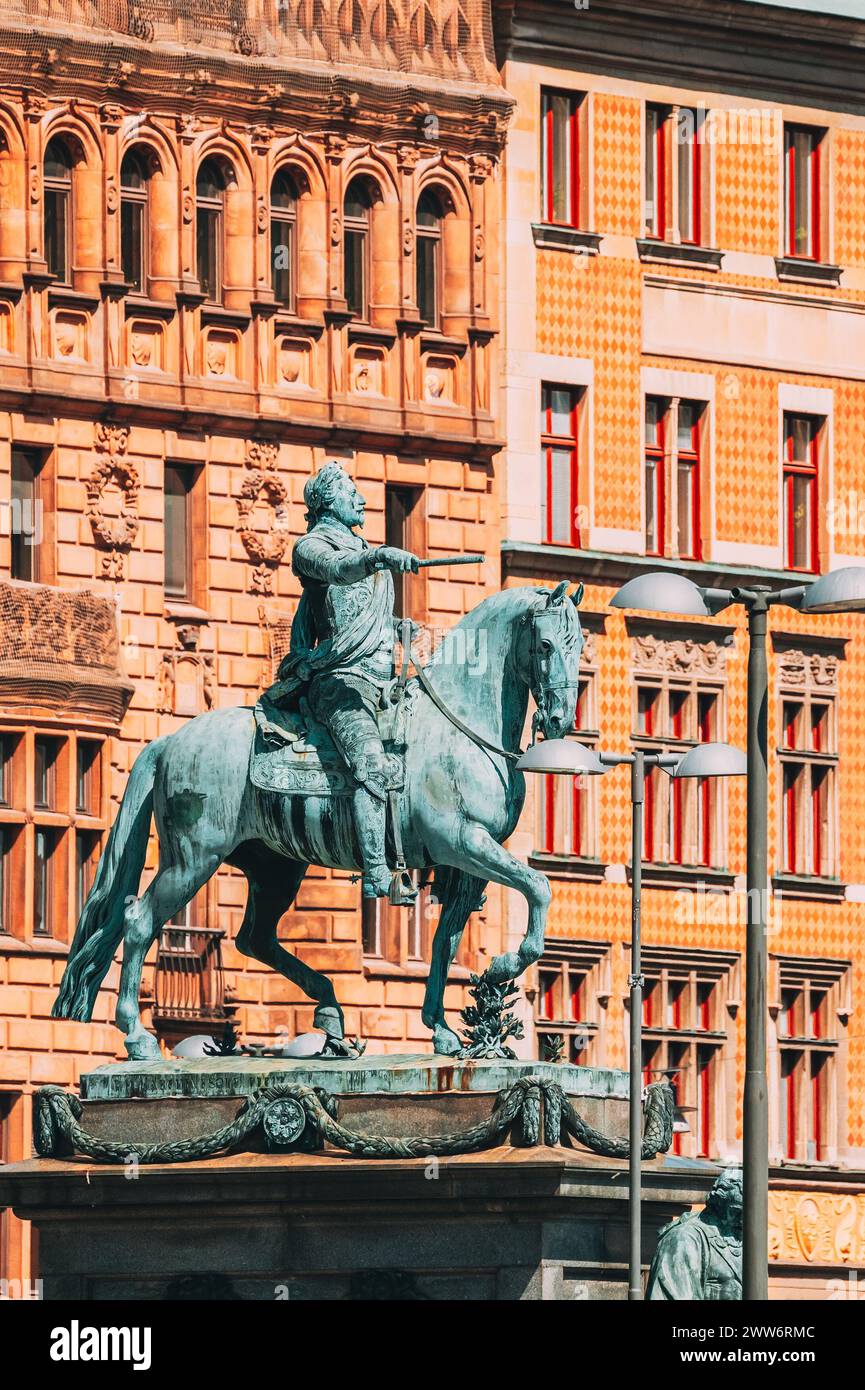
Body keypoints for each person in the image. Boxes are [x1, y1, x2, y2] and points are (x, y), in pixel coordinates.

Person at [268, 460, 419, 903]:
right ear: (328, 500)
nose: (363, 500)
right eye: (353, 492)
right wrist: (379, 557)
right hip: (339, 683)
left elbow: (370, 619)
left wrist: (404, 631)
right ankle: (376, 870)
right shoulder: (310, 548)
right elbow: (339, 569)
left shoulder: (361, 547)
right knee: (371, 764)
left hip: (383, 681)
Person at [646, 1167, 743, 1300]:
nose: (742, 1220)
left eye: (747, 1213)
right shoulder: (684, 1238)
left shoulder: (745, 1239)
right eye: (736, 1211)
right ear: (719, 1202)